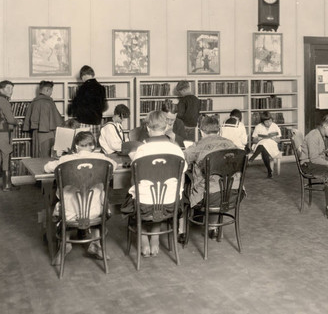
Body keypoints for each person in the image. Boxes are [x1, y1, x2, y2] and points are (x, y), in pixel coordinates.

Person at [120, 111, 187, 258]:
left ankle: (144, 243)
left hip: (144, 207)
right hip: (171, 205)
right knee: (160, 198)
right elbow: (181, 179)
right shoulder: (176, 150)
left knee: (139, 196)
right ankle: (155, 240)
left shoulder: (142, 150)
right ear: (166, 128)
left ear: (148, 129)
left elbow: (134, 181)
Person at [44, 132, 118, 262]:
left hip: (68, 214)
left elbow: (47, 167)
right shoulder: (103, 160)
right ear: (93, 146)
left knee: (62, 201)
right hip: (96, 213)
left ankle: (65, 243)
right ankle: (96, 244)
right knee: (98, 197)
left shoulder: (65, 160)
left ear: (76, 146)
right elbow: (114, 165)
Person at [183, 115, 240, 240]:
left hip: (209, 197)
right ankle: (213, 227)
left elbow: (182, 160)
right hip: (234, 194)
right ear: (218, 130)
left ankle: (182, 231)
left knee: (184, 188)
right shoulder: (232, 144)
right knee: (217, 182)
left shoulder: (198, 146)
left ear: (201, 131)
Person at [299, 114, 328, 221]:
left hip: (319, 162)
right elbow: (314, 159)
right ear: (325, 126)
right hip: (308, 164)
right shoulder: (313, 135)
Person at [23, 80, 64, 158]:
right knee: (48, 155)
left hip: (36, 133)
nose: (51, 93)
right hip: (48, 134)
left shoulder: (34, 102)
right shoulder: (49, 102)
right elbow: (57, 120)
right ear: (47, 90)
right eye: (51, 90)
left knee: (37, 153)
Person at [69, 65, 107, 141]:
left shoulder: (82, 88)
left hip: (84, 122)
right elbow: (103, 106)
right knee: (95, 144)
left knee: (84, 143)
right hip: (97, 121)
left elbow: (76, 106)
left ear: (84, 75)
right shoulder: (101, 88)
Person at [0, 80, 21, 191]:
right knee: (6, 156)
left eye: (12, 88)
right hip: (3, 133)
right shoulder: (3, 101)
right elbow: (11, 120)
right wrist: (17, 122)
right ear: (1, 89)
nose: (11, 91)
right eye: (8, 88)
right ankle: (6, 185)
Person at [249, 111, 281, 178]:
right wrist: (258, 139)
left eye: (270, 121)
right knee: (264, 144)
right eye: (266, 122)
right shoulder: (258, 127)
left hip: (272, 145)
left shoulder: (275, 126)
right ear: (263, 122)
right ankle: (269, 171)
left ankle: (252, 158)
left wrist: (274, 139)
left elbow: (279, 140)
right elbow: (253, 141)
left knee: (265, 144)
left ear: (272, 119)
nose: (269, 123)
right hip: (260, 144)